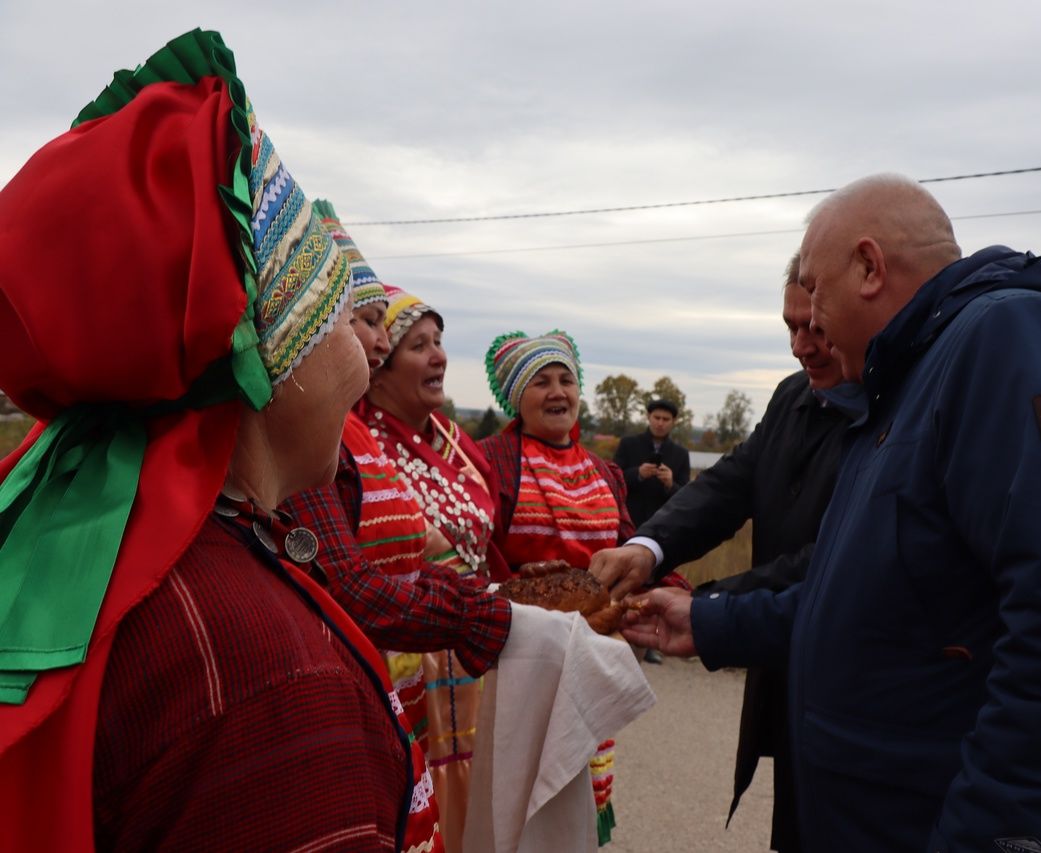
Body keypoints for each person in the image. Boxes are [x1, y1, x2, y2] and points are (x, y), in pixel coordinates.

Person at [624, 174, 1041, 851]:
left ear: (868, 267)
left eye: (815, 287)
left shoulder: (1007, 335)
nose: (812, 322)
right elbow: (863, 596)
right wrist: (708, 619)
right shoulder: (897, 394)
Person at [0, 30, 445, 851]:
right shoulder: (269, 685)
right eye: (344, 318)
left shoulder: (80, 557)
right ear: (273, 356)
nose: (365, 356)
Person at [589, 251, 848, 852]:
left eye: (816, 327)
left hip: (852, 691)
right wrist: (648, 548)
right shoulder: (793, 395)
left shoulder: (896, 409)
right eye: (790, 326)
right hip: (787, 684)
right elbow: (732, 482)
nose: (801, 346)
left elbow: (832, 557)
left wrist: (706, 608)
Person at [282, 206, 511, 852]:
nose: (385, 343)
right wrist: (483, 615)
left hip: (437, 651)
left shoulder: (457, 444)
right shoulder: (323, 441)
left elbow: (474, 544)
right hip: (391, 653)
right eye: (370, 323)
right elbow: (348, 581)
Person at [477, 330, 636, 846]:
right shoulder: (490, 462)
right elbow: (480, 553)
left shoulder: (604, 472)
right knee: (518, 782)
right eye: (540, 381)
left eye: (566, 379)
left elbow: (629, 544)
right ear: (515, 398)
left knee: (581, 778)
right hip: (517, 654)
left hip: (592, 652)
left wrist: (678, 592)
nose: (557, 391)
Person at [612, 399, 691, 527]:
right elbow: (613, 479)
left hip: (663, 525)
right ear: (648, 417)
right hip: (628, 522)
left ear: (673, 421)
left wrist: (670, 484)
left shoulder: (681, 454)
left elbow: (685, 495)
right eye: (657, 417)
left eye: (666, 419)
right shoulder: (628, 444)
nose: (660, 423)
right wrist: (638, 474)